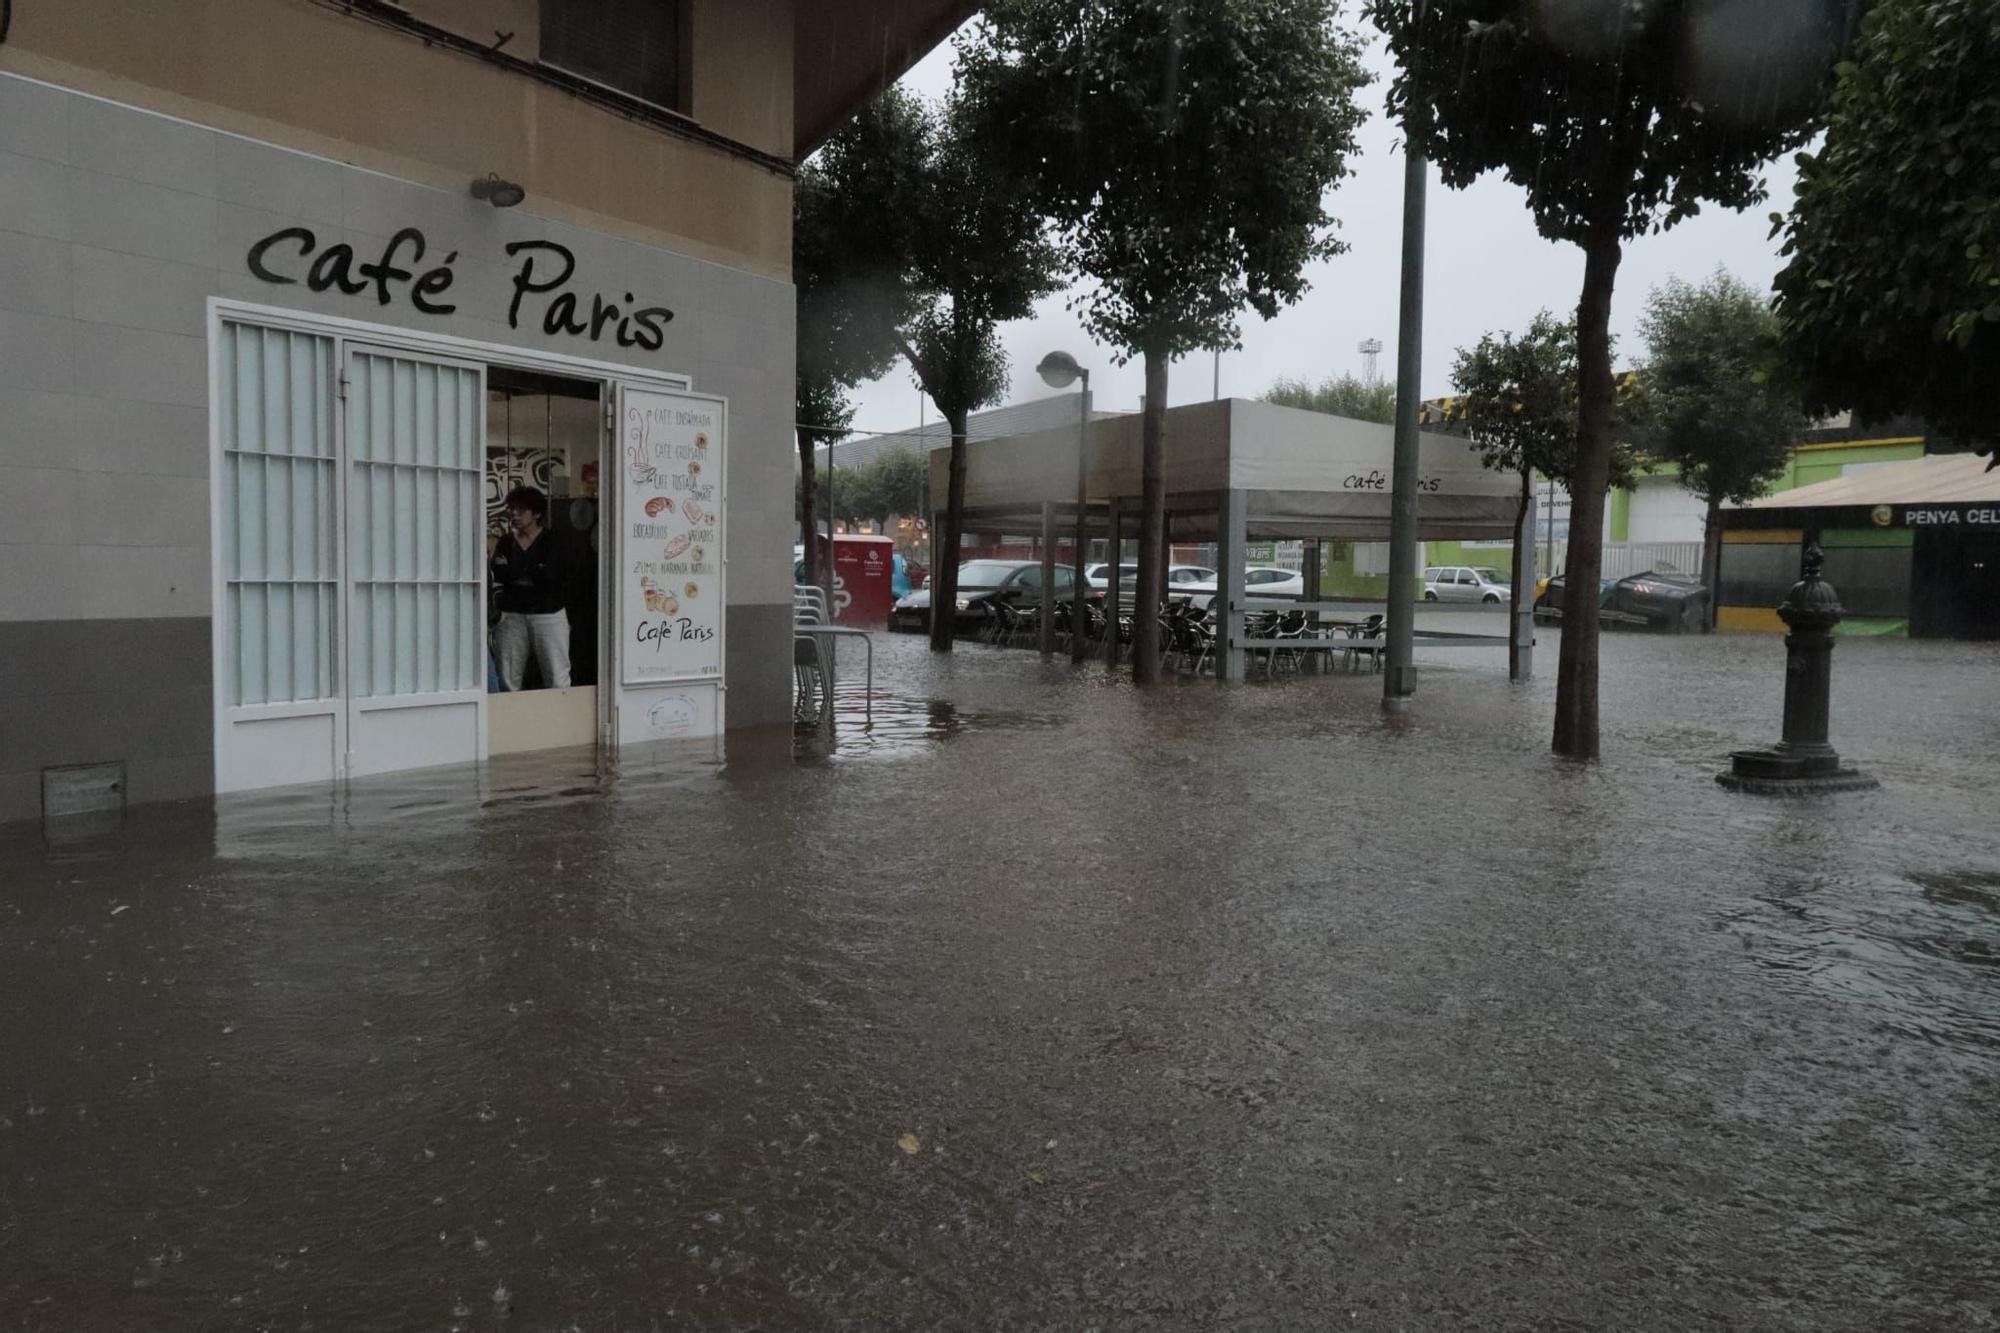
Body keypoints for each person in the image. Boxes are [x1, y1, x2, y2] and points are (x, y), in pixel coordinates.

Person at [490, 486, 571, 690]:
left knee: (557, 676)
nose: (514, 514)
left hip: (548, 614)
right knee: (507, 676)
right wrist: (531, 574)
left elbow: (552, 577)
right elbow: (499, 573)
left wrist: (517, 575)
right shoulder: (506, 542)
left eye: (520, 509)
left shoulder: (553, 540)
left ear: (536, 513)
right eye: (511, 509)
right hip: (512, 615)